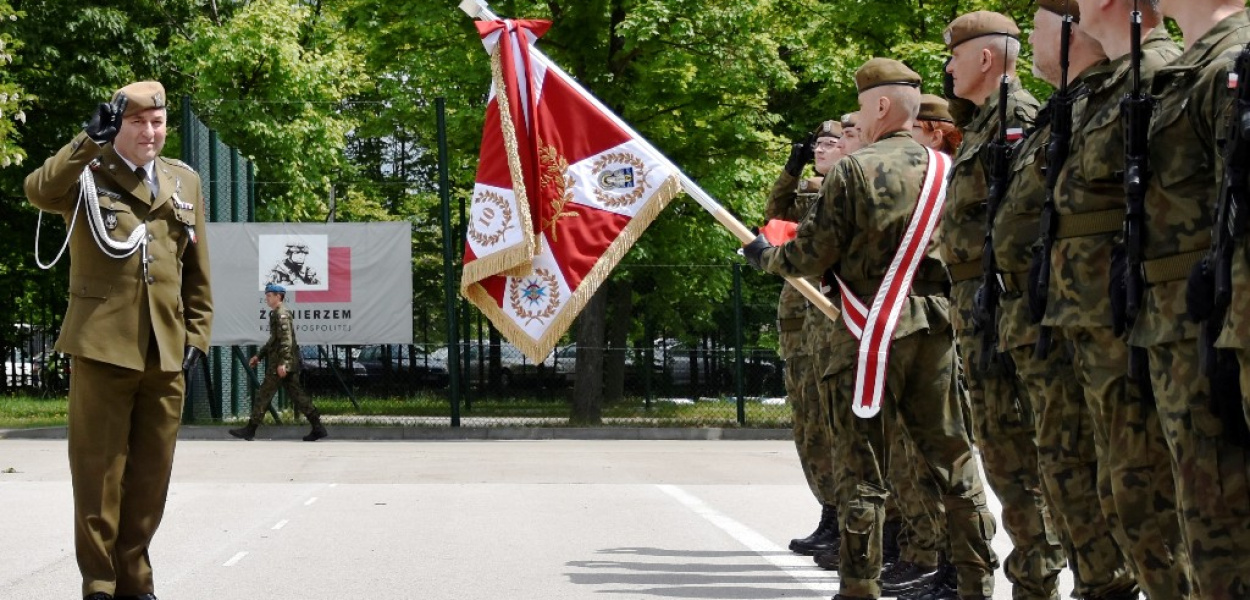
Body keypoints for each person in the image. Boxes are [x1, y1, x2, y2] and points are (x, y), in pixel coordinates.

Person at [744, 57, 999, 600]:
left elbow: (813, 253)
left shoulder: (853, 171)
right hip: (933, 327)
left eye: (861, 107)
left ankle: (859, 586)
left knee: (862, 470)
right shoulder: (947, 169)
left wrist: (767, 257)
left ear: (881, 105)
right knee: (954, 462)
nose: (857, 118)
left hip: (864, 332)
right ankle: (976, 580)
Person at [23, 80, 213, 600]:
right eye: (137, 123)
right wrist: (88, 140)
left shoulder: (184, 181)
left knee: (151, 479)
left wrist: (197, 333)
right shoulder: (87, 173)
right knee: (99, 479)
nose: (149, 132)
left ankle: (136, 583)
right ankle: (101, 586)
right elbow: (38, 190)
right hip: (103, 347)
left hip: (165, 350)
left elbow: (196, 267)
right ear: (118, 125)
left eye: (157, 122)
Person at [997, 4, 1144, 600]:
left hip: (1100, 315)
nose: (1027, 43)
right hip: (1054, 314)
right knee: (1069, 471)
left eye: (1034, 28)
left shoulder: (1106, 95)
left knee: (1115, 476)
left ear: (1070, 31)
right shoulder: (1065, 108)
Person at [1122, 0, 1250, 597]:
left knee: (1219, 518)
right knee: (1203, 514)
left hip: (1213, 315)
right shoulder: (1194, 68)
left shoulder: (1230, 58)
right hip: (1188, 315)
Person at [938, 12, 1066, 600]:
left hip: (1007, 309)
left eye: (955, 56)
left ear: (986, 59)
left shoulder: (1016, 121)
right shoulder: (985, 123)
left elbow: (1025, 225)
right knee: (1003, 455)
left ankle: (1038, 580)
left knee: (1023, 458)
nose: (947, 67)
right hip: (980, 308)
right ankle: (1032, 577)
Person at [770, 119, 846, 558]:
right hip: (799, 319)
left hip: (829, 313)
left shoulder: (844, 188)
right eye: (817, 144)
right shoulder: (806, 188)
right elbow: (774, 216)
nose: (822, 148)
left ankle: (847, 518)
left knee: (833, 423)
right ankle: (830, 513)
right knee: (808, 424)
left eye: (832, 142)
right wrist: (791, 169)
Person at [230, 283, 327, 442]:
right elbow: (274, 340)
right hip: (283, 363)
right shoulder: (276, 313)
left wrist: (284, 363)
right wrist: (259, 356)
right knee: (297, 395)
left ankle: (250, 429)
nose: (266, 298)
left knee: (264, 394)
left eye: (269, 295)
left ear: (278, 296)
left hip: (280, 365)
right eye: (266, 295)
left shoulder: (281, 314)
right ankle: (317, 427)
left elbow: (286, 341)